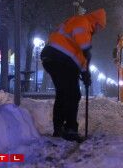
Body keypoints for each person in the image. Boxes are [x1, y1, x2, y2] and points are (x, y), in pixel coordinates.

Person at [41, 8, 106, 142]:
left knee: (63, 93)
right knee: (73, 94)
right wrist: (86, 48)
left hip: (54, 58)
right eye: (100, 27)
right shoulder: (83, 22)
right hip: (59, 58)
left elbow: (79, 56)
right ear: (97, 22)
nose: (99, 31)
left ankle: (58, 128)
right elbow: (81, 41)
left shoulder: (84, 30)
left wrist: (85, 73)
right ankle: (70, 129)